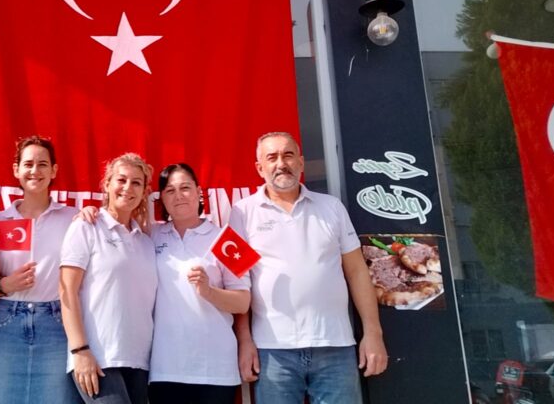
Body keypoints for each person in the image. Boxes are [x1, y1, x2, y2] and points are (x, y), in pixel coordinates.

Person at [232, 132, 388, 404]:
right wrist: (244, 341)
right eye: (272, 157)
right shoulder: (241, 213)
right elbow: (238, 282)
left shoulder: (332, 207)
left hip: (335, 347)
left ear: (301, 162)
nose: (281, 163)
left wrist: (373, 333)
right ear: (259, 168)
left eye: (288, 155)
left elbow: (357, 272)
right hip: (272, 350)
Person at [0, 136, 81, 404]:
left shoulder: (73, 219)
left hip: (57, 324)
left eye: (42, 164)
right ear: (16, 170)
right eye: (28, 164)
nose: (35, 171)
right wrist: (4, 285)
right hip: (7, 323)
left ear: (54, 171)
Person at [148, 163, 250, 404]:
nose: (178, 195)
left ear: (199, 192)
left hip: (215, 370)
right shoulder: (150, 235)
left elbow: (243, 302)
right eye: (170, 190)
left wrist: (209, 291)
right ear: (162, 198)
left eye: (185, 187)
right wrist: (89, 214)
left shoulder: (228, 238)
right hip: (165, 369)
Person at [60, 152, 158, 404]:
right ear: (106, 184)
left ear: (144, 192)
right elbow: (67, 290)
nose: (128, 188)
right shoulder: (86, 227)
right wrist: (80, 350)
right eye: (121, 180)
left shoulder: (146, 242)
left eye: (136, 183)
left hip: (140, 361)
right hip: (98, 358)